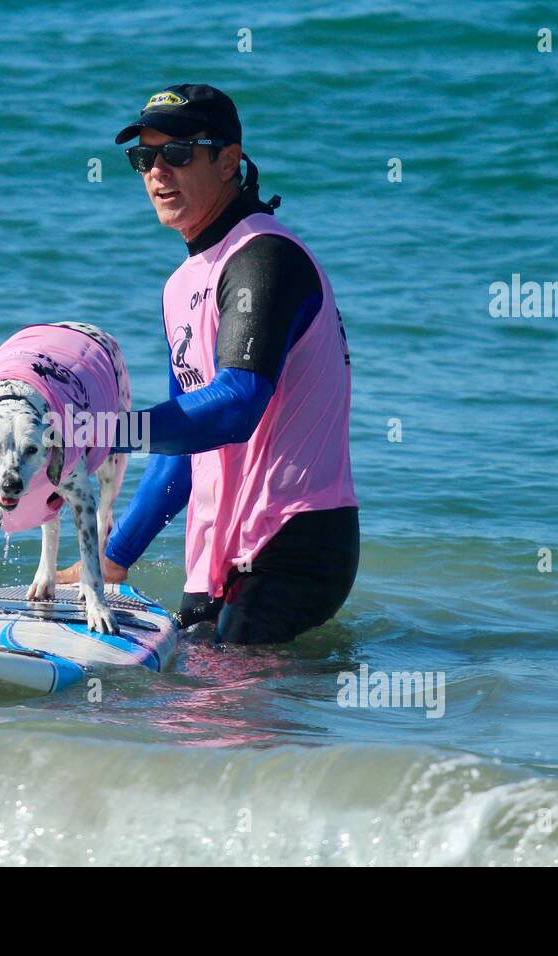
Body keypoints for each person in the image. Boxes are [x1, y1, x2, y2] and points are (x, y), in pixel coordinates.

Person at [58, 83, 359, 644]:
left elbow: (235, 407)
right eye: (144, 158)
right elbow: (186, 443)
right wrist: (113, 557)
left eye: (176, 154)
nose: (156, 173)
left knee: (228, 715)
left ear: (227, 162)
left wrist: (99, 430)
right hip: (219, 556)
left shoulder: (266, 259)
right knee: (194, 710)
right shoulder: (181, 286)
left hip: (292, 541)